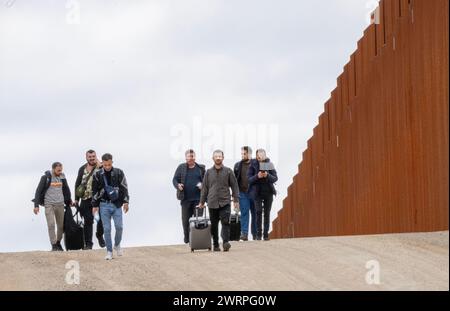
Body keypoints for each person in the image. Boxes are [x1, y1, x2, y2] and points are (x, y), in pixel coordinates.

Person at [198, 150, 239, 252]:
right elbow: (205, 189)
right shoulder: (208, 172)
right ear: (213, 158)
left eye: (220, 156)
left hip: (225, 201)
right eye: (216, 156)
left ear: (223, 158)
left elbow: (235, 186)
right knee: (214, 225)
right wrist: (201, 202)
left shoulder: (228, 171)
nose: (218, 158)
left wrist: (236, 201)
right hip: (212, 202)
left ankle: (225, 242)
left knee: (225, 222)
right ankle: (216, 244)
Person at [92, 153, 129, 260]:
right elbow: (94, 190)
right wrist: (94, 205)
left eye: (109, 164)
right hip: (104, 205)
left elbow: (124, 187)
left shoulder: (119, 172)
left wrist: (126, 202)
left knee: (119, 227)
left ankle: (117, 245)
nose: (107, 167)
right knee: (107, 229)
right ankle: (109, 251)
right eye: (105, 165)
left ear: (112, 162)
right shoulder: (97, 174)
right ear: (102, 163)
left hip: (117, 204)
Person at [33, 162, 73, 251]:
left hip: (60, 204)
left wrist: (69, 200)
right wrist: (36, 205)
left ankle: (58, 242)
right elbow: (38, 191)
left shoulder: (62, 176)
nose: (60, 172)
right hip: (49, 204)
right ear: (53, 169)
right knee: (51, 224)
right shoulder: (46, 178)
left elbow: (66, 188)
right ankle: (54, 244)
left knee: (61, 226)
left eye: (61, 170)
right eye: (58, 170)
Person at [172, 149, 206, 244]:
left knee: (197, 221)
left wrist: (202, 185)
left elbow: (206, 182)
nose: (191, 158)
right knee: (185, 222)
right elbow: (174, 180)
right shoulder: (181, 167)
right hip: (185, 199)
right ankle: (187, 239)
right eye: (189, 156)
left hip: (198, 200)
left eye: (192, 156)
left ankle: (196, 241)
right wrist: (178, 185)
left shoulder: (201, 168)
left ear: (195, 157)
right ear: (186, 157)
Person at [74, 149, 105, 250]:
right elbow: (77, 184)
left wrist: (100, 165)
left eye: (93, 157)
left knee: (102, 220)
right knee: (88, 221)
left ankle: (99, 235)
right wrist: (76, 199)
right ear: (86, 157)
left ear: (96, 157)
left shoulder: (101, 167)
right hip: (85, 199)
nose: (92, 158)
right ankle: (88, 244)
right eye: (90, 157)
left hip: (99, 198)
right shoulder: (82, 168)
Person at [248, 149, 278, 241]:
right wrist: (257, 176)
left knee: (267, 213)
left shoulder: (269, 164)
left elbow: (275, 178)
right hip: (257, 193)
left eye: (262, 155)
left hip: (268, 192)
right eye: (258, 156)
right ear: (256, 156)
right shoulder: (253, 165)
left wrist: (267, 175)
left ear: (265, 155)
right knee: (258, 212)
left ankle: (265, 234)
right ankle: (258, 235)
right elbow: (249, 179)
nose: (260, 157)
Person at [233, 146, 257, 241]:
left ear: (250, 154)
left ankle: (255, 234)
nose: (243, 155)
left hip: (254, 193)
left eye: (245, 154)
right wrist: (235, 196)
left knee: (255, 213)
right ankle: (244, 234)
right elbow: (234, 182)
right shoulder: (237, 165)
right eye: (242, 154)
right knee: (244, 213)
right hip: (243, 193)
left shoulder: (256, 164)